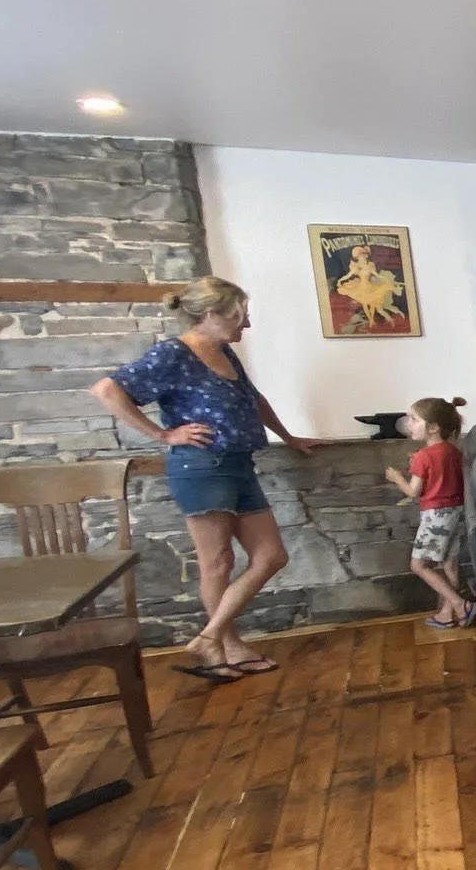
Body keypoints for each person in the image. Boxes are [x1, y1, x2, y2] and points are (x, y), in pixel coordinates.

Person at [92, 277, 322, 681]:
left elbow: (255, 400)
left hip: (238, 464)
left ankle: (210, 637)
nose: (245, 325)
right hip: (200, 467)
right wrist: (163, 434)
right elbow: (107, 390)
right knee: (217, 562)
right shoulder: (173, 354)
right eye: (239, 316)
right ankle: (226, 648)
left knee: (272, 556)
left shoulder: (224, 352)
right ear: (212, 314)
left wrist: (288, 437)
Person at [384, 396, 476, 628]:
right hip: (456, 511)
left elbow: (413, 491)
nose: (408, 424)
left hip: (436, 515)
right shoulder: (452, 450)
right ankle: (448, 614)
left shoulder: (424, 456)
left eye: (414, 419)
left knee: (419, 566)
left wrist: (397, 478)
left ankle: (459, 603)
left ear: (433, 427)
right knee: (449, 563)